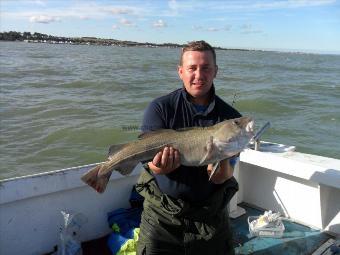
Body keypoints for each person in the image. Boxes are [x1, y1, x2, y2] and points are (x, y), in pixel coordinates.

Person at [136, 40, 241, 255]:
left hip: (210, 217)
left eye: (206, 68)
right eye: (192, 68)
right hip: (162, 217)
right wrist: (159, 167)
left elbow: (222, 176)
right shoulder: (160, 108)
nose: (199, 75)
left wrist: (220, 163)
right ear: (180, 71)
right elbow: (150, 166)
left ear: (215, 71)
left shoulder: (231, 119)